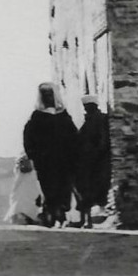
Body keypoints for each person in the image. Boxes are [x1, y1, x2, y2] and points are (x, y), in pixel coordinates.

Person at [22, 83, 79, 228]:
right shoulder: (37, 117)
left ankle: (60, 212)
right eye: (45, 95)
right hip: (45, 161)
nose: (48, 97)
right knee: (48, 187)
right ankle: (51, 214)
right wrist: (33, 155)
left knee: (64, 186)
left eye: (50, 94)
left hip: (64, 160)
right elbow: (28, 138)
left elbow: (73, 136)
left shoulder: (63, 116)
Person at [75, 94, 111, 228]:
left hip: (96, 162)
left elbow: (102, 141)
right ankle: (87, 219)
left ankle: (91, 219)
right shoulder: (89, 121)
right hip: (88, 162)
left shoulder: (99, 120)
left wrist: (94, 154)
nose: (87, 109)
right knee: (86, 191)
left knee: (92, 190)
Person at [4, 154, 42, 225]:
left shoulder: (20, 175)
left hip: (24, 195)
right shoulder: (31, 175)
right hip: (28, 194)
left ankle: (25, 217)